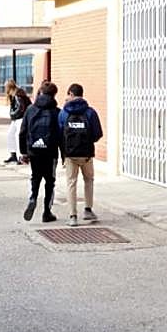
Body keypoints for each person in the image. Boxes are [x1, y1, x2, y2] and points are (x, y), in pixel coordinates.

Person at [59, 83, 104, 227]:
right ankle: (88, 210)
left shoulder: (64, 112)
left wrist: (64, 150)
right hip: (86, 154)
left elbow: (60, 133)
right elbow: (98, 133)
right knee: (88, 180)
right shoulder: (90, 112)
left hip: (70, 155)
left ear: (71, 94)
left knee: (71, 183)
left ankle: (73, 216)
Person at [19, 81, 61, 223]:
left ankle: (33, 197)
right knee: (50, 181)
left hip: (34, 150)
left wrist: (24, 152)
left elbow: (22, 132)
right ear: (54, 94)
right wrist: (64, 154)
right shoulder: (56, 112)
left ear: (41, 92)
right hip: (50, 152)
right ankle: (47, 212)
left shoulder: (30, 109)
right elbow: (61, 134)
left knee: (35, 177)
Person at [4, 80, 29, 165]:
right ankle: (13, 154)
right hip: (16, 118)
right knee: (10, 134)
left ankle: (21, 156)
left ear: (9, 87)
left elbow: (21, 108)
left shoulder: (18, 95)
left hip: (21, 117)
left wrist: (13, 114)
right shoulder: (13, 95)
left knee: (18, 136)